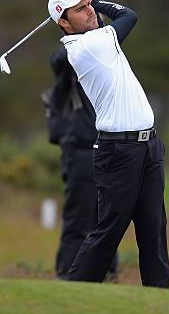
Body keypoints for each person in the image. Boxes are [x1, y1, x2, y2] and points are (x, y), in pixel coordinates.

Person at [46, 0, 169, 288]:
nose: (89, 9)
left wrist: (89, 5)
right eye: (81, 7)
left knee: (153, 229)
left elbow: (108, 22)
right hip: (119, 151)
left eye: (89, 4)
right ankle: (72, 295)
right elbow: (129, 15)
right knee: (108, 232)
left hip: (148, 146)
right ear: (64, 22)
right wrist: (101, 1)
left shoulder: (98, 39)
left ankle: (160, 301)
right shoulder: (89, 46)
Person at [43, 40, 119, 280]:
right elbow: (57, 59)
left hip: (107, 149)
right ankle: (67, 273)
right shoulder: (71, 65)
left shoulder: (105, 66)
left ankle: (107, 272)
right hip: (80, 151)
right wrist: (84, 37)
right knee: (79, 218)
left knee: (107, 217)